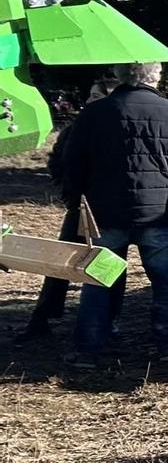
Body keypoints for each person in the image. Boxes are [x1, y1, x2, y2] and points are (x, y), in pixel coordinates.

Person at [59, 60, 168, 367]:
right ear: (158, 76)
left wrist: (76, 198)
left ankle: (89, 349)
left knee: (98, 281)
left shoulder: (94, 113)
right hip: (159, 210)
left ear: (119, 75)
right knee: (167, 280)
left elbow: (72, 161)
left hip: (106, 211)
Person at [16, 78, 124, 343]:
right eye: (90, 96)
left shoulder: (121, 128)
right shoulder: (76, 128)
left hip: (110, 210)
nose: (90, 101)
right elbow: (58, 161)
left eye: (97, 96)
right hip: (80, 206)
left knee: (108, 265)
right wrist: (70, 193)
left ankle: (108, 321)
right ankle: (42, 318)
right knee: (61, 263)